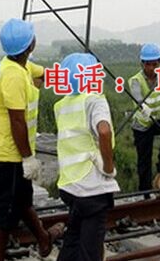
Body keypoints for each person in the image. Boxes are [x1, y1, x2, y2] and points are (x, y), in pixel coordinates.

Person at [0, 19, 64, 260]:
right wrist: (27, 158)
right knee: (3, 213)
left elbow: (44, 74)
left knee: (23, 201)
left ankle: (44, 240)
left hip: (10, 151)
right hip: (8, 156)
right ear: (30, 44)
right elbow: (17, 121)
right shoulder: (13, 76)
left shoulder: (18, 65)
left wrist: (76, 77)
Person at [54, 53, 119, 261]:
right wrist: (108, 167)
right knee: (90, 251)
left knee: (73, 237)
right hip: (92, 188)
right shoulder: (94, 99)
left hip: (70, 185)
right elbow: (104, 132)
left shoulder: (62, 105)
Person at [128, 43, 160, 193]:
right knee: (144, 159)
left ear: (159, 63)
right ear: (142, 64)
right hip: (142, 124)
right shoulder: (135, 80)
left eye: (155, 64)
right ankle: (145, 191)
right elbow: (137, 97)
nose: (152, 68)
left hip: (158, 119)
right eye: (148, 64)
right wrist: (143, 107)